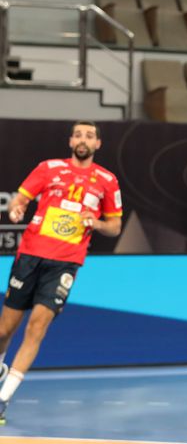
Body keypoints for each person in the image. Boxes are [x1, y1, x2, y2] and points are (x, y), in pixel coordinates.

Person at [0, 121, 122, 424]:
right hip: (30, 255)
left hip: (65, 263)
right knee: (4, 330)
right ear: (70, 141)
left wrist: (96, 222)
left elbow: (115, 226)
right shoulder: (48, 168)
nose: (83, 140)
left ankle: (3, 399)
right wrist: (16, 208)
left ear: (97, 144)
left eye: (89, 136)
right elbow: (19, 200)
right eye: (78, 135)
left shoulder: (107, 180)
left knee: (37, 327)